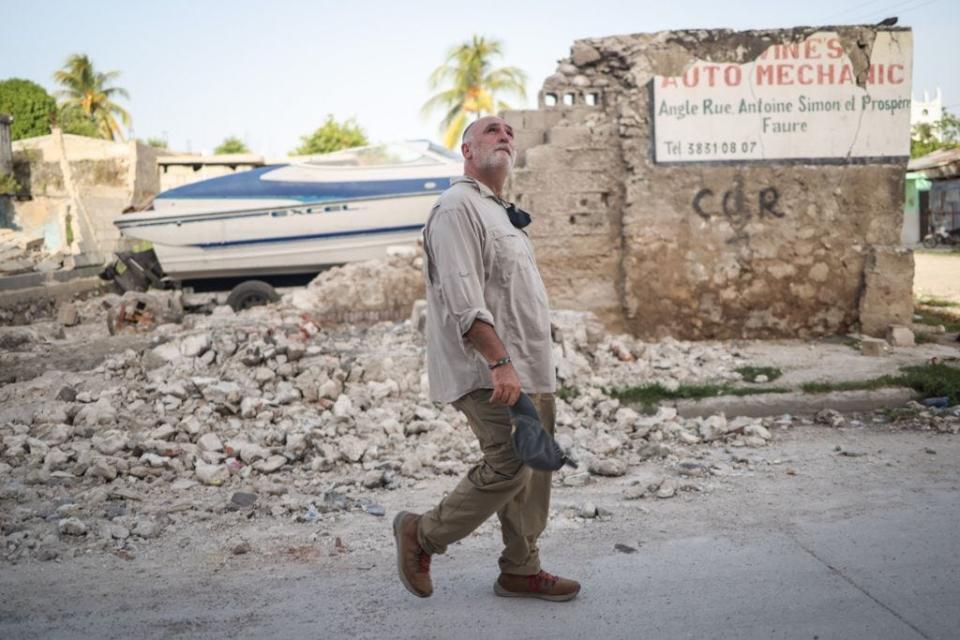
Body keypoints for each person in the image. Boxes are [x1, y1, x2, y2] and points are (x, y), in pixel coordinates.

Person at [392, 115, 580, 602]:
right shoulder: (457, 208)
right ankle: (423, 534)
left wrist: (526, 364)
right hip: (489, 368)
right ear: (467, 150)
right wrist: (499, 362)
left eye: (510, 132)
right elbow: (462, 298)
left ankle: (521, 569)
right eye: (491, 130)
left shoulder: (500, 211)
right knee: (509, 464)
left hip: (529, 366)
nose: (505, 135)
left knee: (532, 468)